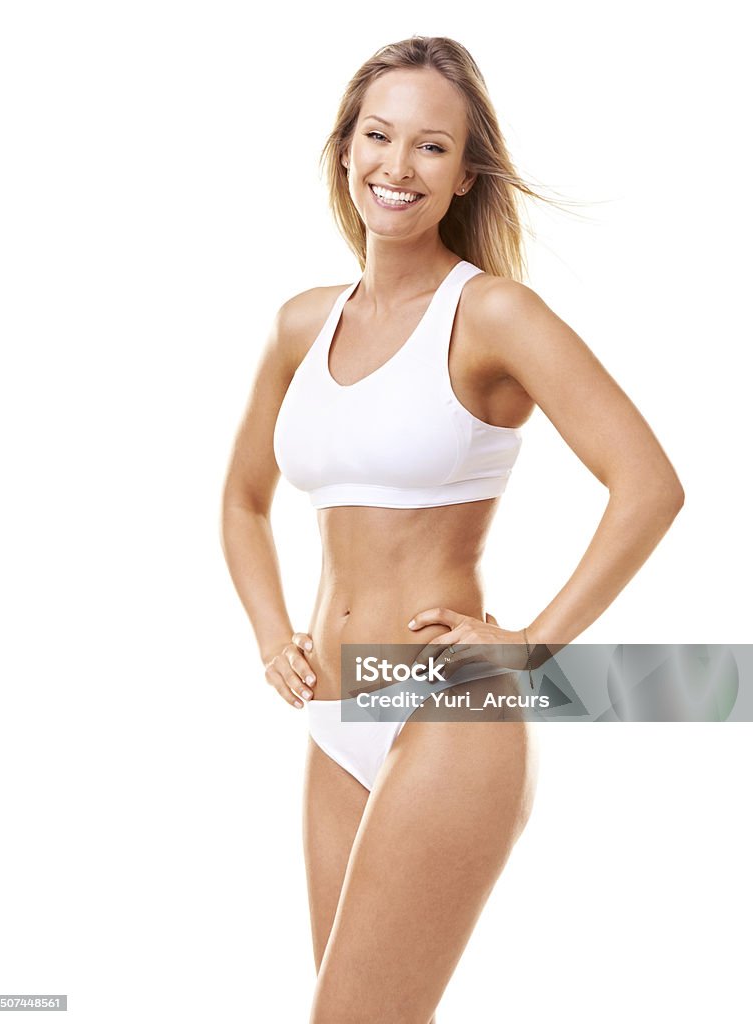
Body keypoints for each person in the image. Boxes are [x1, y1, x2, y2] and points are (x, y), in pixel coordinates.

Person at [220, 35, 684, 1024]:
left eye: (431, 147)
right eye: (378, 135)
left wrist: (532, 641)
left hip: (447, 707)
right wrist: (271, 633)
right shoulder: (302, 323)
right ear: (345, 148)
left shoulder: (494, 315)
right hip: (335, 712)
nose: (398, 165)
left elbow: (648, 484)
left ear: (465, 171)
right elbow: (243, 498)